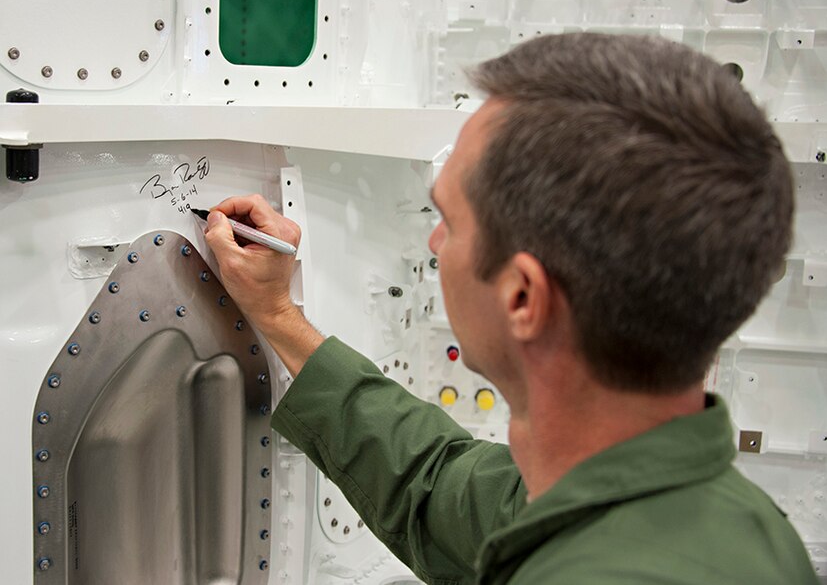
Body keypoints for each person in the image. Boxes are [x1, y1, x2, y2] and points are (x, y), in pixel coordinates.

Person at [205, 33, 818, 584]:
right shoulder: (692, 515)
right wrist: (278, 313)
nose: (433, 244)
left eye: (447, 220)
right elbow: (432, 486)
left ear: (523, 298)